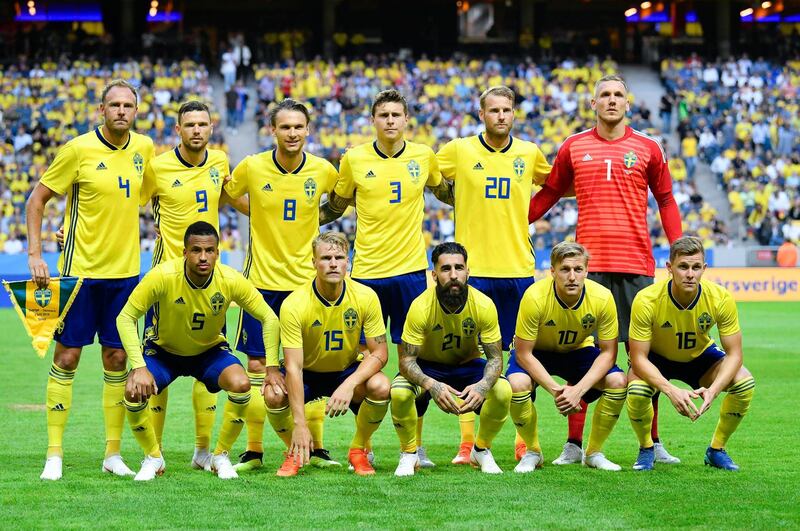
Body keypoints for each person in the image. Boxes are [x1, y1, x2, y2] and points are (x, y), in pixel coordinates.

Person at [529, 74, 683, 466]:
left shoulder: (649, 148)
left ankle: (652, 443)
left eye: (618, 95)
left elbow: (665, 200)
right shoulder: (573, 146)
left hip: (635, 265)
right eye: (605, 95)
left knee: (639, 358)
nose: (612, 101)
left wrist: (678, 247)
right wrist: (515, 222)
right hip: (586, 270)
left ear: (628, 104)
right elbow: (548, 193)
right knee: (583, 353)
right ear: (593, 103)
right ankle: (574, 445)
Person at [26, 79, 155, 480]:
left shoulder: (145, 149)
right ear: (101, 110)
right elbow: (36, 200)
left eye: (128, 105)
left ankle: (112, 454)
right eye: (113, 105)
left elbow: (146, 199)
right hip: (79, 274)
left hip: (126, 276)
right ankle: (54, 454)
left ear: (136, 111)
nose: (121, 111)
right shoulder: (78, 149)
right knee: (67, 357)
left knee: (117, 359)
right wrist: (35, 253)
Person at [319, 89, 452, 468]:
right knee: (366, 365)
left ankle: (416, 445)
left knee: (416, 361)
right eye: (383, 115)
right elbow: (337, 207)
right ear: (373, 120)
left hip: (411, 273)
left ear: (406, 119)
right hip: (367, 277)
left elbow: (446, 192)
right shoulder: (355, 159)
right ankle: (365, 444)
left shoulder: (424, 156)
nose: (390, 121)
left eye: (396, 114)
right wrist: (295, 222)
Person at [436, 85, 551, 464]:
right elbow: (432, 179)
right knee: (472, 358)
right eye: (494, 110)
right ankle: (468, 443)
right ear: (481, 114)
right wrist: (457, 199)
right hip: (473, 273)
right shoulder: (458, 150)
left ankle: (524, 442)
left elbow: (554, 187)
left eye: (507, 110)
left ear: (514, 113)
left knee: (520, 359)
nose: (501, 116)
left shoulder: (529, 153)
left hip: (518, 270)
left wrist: (526, 213)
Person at [225, 98, 341, 472]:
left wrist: (315, 217)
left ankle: (316, 447)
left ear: (307, 130)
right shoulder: (253, 167)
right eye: (285, 127)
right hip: (260, 285)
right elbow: (229, 193)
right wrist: (255, 210)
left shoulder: (323, 170)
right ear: (272, 130)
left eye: (298, 127)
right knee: (258, 365)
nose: (292, 133)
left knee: (304, 367)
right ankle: (254, 450)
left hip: (306, 287)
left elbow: (340, 202)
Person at [116, 222, 279, 480]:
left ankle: (220, 456)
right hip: (163, 352)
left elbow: (269, 318)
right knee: (132, 390)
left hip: (209, 352)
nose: (203, 257)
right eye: (196, 250)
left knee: (241, 383)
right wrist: (138, 366)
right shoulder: (162, 276)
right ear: (184, 252)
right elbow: (125, 317)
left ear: (218, 252)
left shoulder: (230, 280)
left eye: (209, 251)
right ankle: (153, 458)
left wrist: (271, 367)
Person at [138, 100, 247, 470]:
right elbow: (125, 204)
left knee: (208, 355)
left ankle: (203, 451)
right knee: (158, 363)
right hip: (167, 281)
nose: (197, 130)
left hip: (210, 276)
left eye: (203, 124)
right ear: (178, 130)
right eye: (190, 124)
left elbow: (236, 201)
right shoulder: (158, 167)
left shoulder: (220, 162)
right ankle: (155, 452)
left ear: (211, 128)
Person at [266, 232, 390, 477]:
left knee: (382, 386)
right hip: (307, 373)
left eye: (339, 257)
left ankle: (358, 451)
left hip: (345, 370)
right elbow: (293, 368)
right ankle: (295, 450)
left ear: (348, 261)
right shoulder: (294, 303)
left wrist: (349, 384)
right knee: (273, 394)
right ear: (313, 262)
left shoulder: (366, 297)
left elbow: (381, 353)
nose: (333, 263)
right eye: (325, 258)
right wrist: (300, 424)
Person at [627, 236, 755, 471]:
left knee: (744, 383)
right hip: (657, 358)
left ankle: (716, 450)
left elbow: (735, 354)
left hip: (700, 357)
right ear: (669, 268)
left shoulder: (720, 298)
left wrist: (714, 391)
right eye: (683, 267)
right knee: (636, 390)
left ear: (704, 269)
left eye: (696, 267)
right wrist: (670, 390)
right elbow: (638, 358)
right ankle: (646, 448)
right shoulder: (647, 300)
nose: (690, 274)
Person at [390, 242, 511, 476]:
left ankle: (481, 449)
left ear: (468, 272)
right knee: (399, 392)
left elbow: (496, 358)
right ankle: (409, 453)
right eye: (446, 269)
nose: (453, 275)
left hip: (468, 366)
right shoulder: (420, 307)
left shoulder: (484, 305)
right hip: (428, 368)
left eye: (459, 268)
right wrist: (430, 385)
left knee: (503, 390)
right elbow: (406, 361)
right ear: (434, 274)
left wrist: (484, 386)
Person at [507, 242, 627, 473]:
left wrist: (578, 390)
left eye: (578, 269)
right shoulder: (534, 297)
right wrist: (557, 391)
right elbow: (523, 353)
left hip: (578, 351)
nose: (572, 276)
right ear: (552, 271)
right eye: (564, 270)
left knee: (618, 381)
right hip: (537, 352)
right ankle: (532, 452)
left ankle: (593, 453)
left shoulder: (602, 298)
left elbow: (609, 353)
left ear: (586, 270)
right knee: (517, 384)